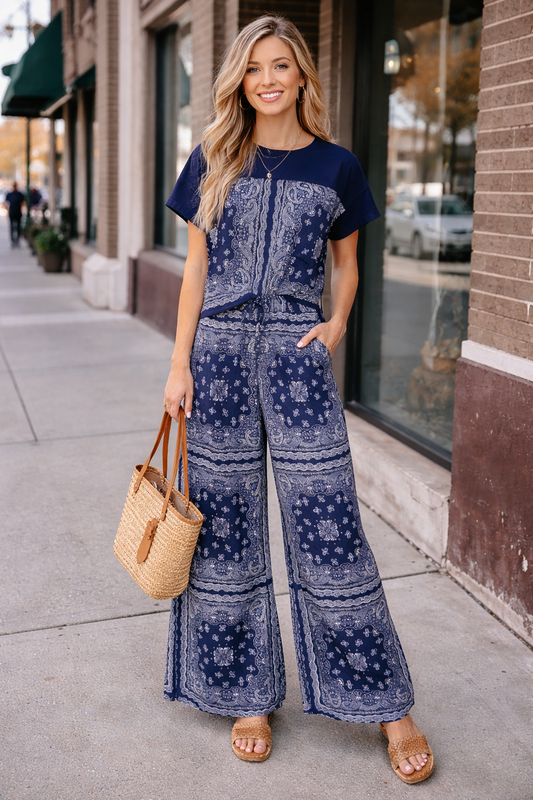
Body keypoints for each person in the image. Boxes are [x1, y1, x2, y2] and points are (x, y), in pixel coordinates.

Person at [162, 15, 433, 784]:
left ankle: (387, 704)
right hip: (216, 356)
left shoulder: (337, 165)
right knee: (225, 527)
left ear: (303, 75)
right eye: (254, 69)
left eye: (281, 65)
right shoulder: (215, 156)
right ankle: (249, 694)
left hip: (295, 352)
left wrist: (337, 322)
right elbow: (195, 269)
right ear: (239, 83)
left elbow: (346, 265)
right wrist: (178, 363)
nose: (268, 79)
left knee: (330, 525)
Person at [4, 182, 26, 247]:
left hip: (18, 212)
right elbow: (5, 202)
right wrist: (7, 210)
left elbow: (23, 202)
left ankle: (18, 241)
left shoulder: (20, 194)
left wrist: (22, 209)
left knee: (18, 227)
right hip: (12, 213)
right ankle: (13, 241)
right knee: (12, 227)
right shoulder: (9, 194)